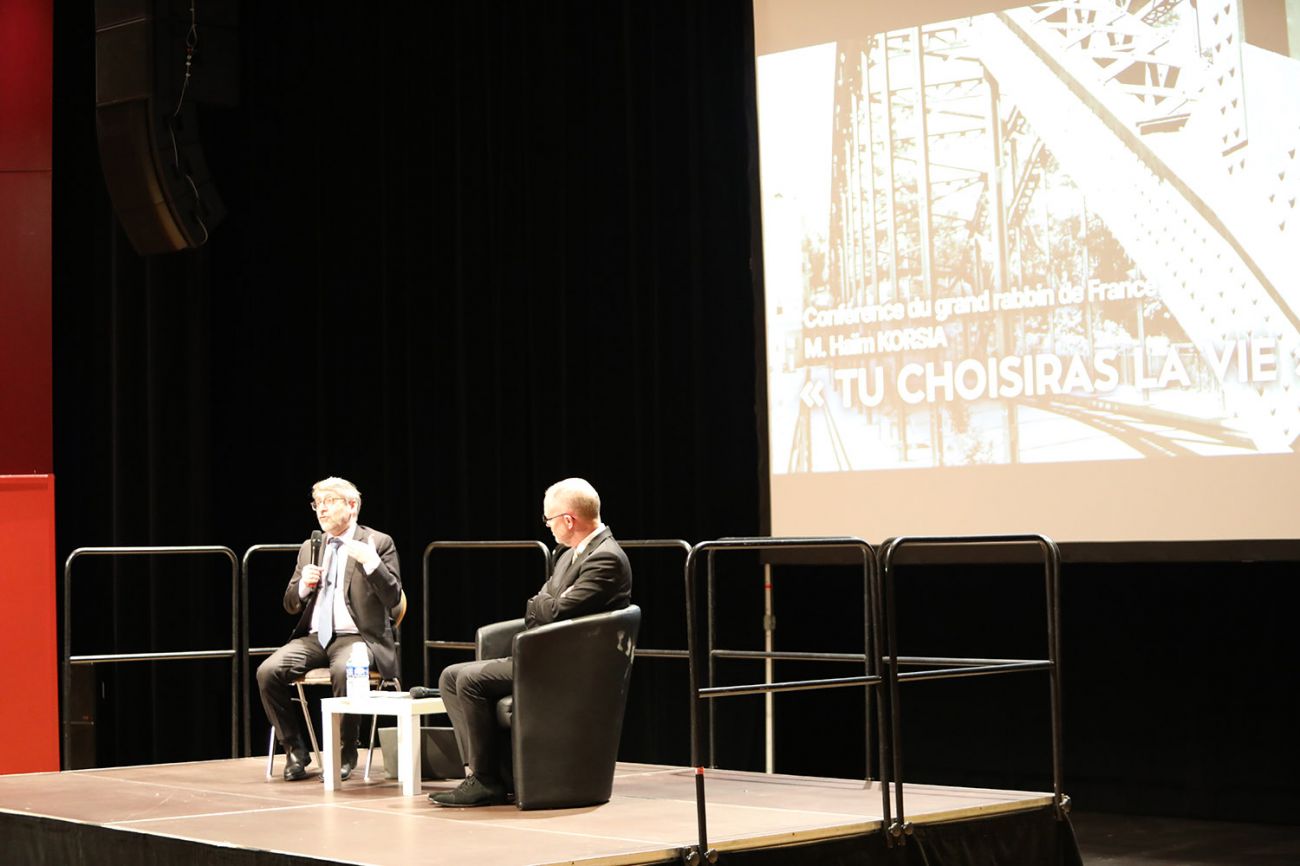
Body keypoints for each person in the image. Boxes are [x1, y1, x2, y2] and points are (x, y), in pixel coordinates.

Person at [428, 477, 632, 807]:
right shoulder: (568, 555)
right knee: (451, 675)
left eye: (549, 519)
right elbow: (546, 605)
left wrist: (544, 603)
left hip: (569, 666)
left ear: (569, 520)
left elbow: (553, 610)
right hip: (545, 656)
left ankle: (485, 780)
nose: (548, 526)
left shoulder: (605, 558)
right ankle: (486, 773)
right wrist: (545, 603)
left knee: (468, 680)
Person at [256, 477, 402, 781]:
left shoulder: (377, 542)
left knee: (347, 670)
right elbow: (290, 604)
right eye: (317, 503)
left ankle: (346, 750)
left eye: (329, 501)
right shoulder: (312, 546)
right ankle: (295, 749)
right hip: (314, 639)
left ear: (352, 505)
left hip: (357, 637)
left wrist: (372, 564)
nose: (321, 509)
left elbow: (393, 599)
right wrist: (304, 588)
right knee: (267, 671)